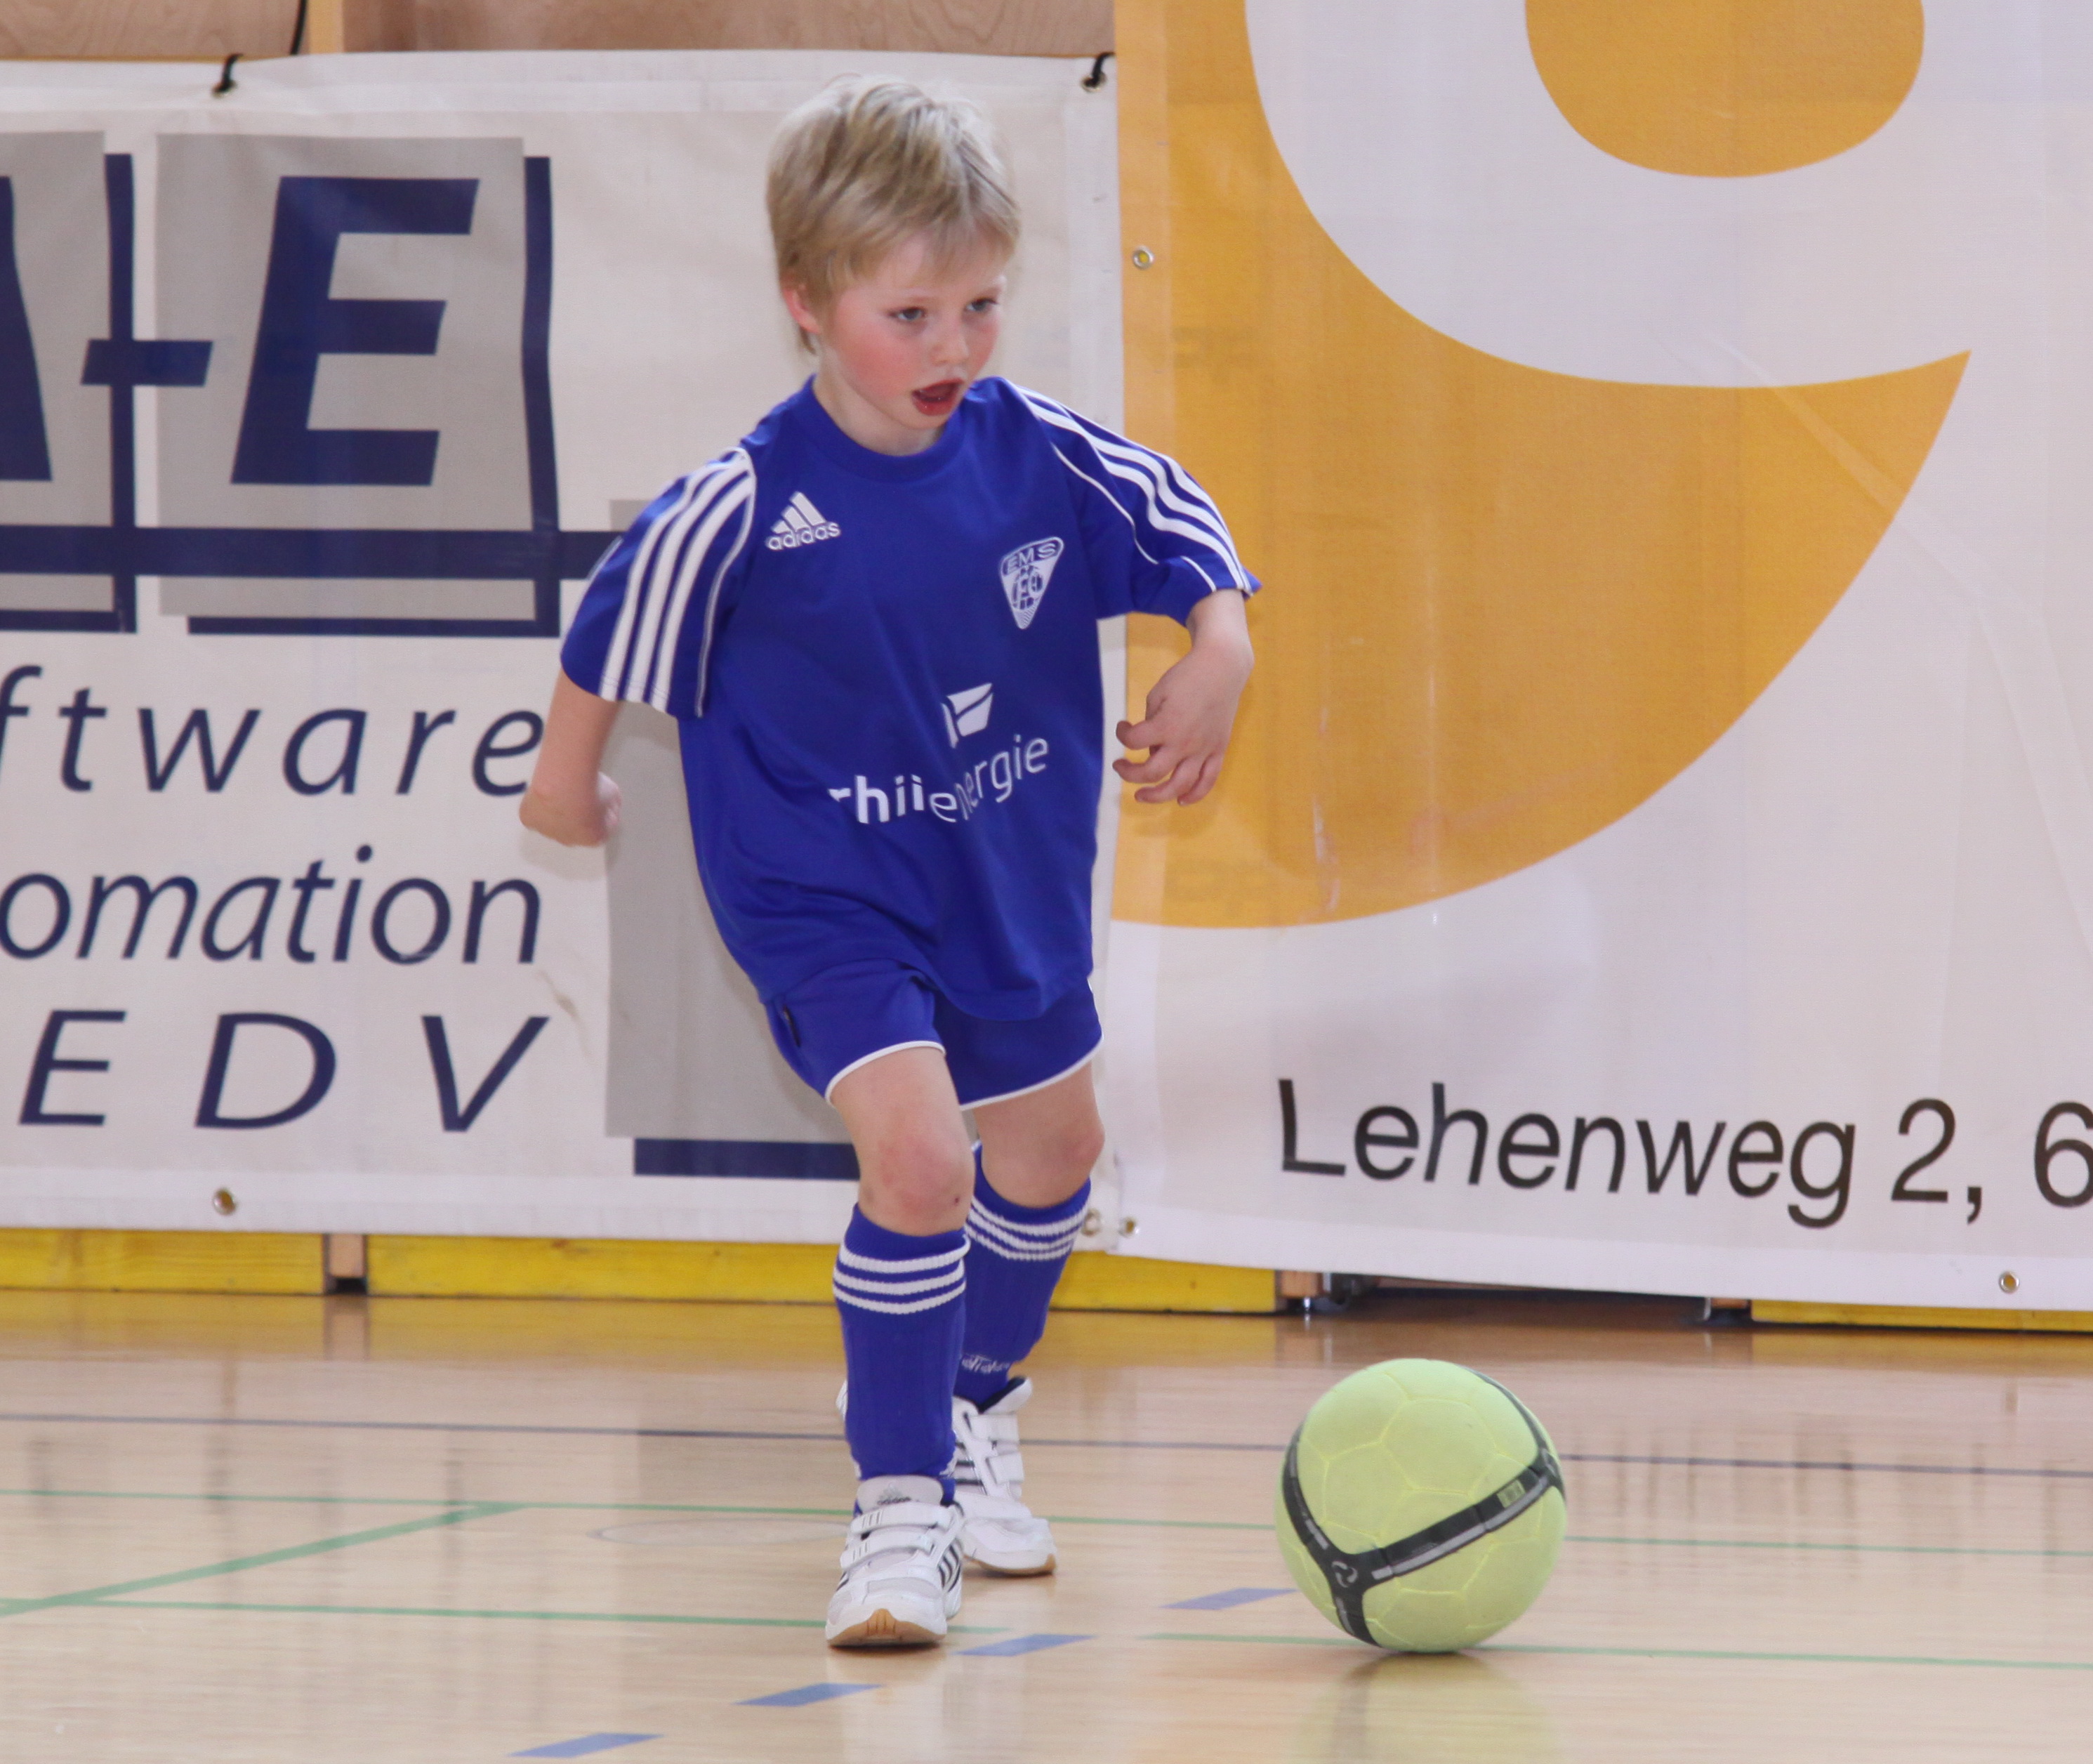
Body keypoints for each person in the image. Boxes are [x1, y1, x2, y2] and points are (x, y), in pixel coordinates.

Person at [522, 75, 1255, 1647]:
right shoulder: (741, 504)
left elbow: (1186, 530)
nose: (953, 346)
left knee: (1050, 1154)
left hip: (1006, 871)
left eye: (979, 305)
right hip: (821, 893)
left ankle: (974, 1403)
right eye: (908, 314)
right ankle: (899, 1507)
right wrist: (562, 787)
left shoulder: (1039, 455)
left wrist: (1221, 653)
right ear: (806, 301)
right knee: (923, 1162)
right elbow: (609, 636)